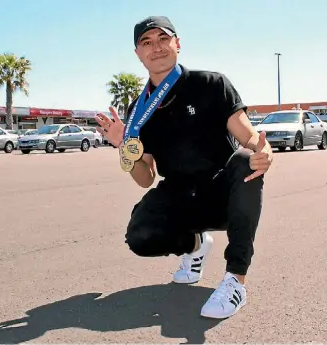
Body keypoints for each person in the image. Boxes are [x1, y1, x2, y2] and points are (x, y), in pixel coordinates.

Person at [95, 15, 273, 319]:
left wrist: (263, 150)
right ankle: (196, 244)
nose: (157, 47)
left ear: (177, 43)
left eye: (163, 39)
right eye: (146, 42)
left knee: (245, 163)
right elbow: (145, 177)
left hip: (222, 191)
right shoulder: (139, 110)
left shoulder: (211, 84)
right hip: (179, 194)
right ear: (138, 54)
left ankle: (236, 281)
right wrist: (124, 145)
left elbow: (249, 135)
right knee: (139, 235)